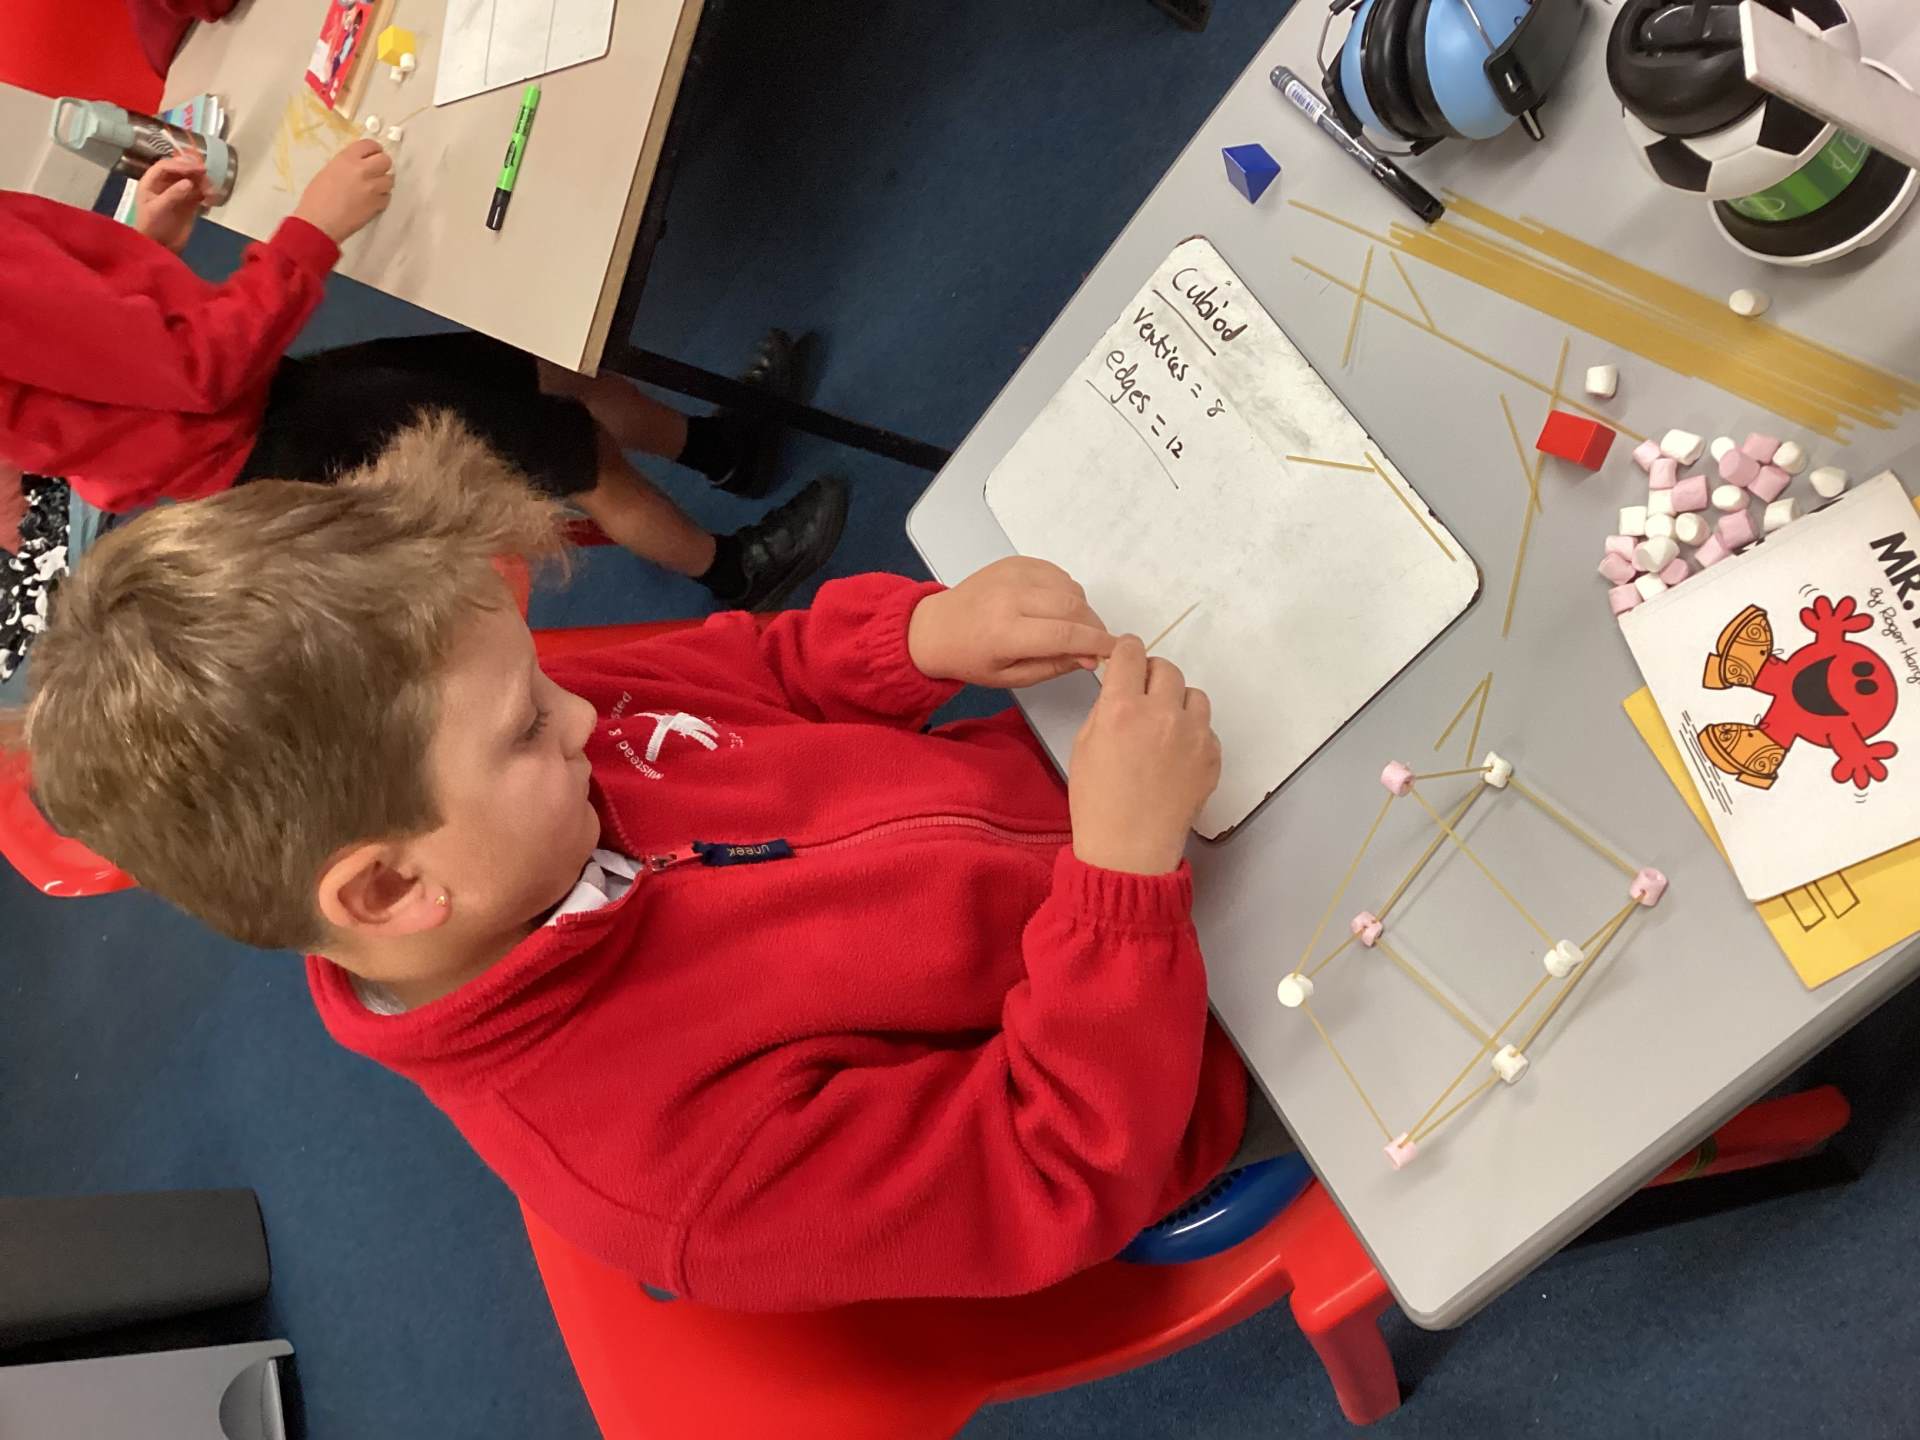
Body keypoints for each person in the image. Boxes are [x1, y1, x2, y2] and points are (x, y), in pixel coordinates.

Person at [16, 416, 1289, 1312]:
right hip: (1195, 1056)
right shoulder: (676, 1173)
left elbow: (757, 666)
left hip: (1101, 815)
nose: (583, 715)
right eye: (527, 727)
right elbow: (1053, 1164)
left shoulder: (496, 761)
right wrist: (1120, 886)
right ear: (392, 889)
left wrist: (916, 638)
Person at [0, 144, 845, 611]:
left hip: (254, 406)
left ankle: (721, 450)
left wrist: (139, 249)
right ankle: (733, 570)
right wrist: (312, 229)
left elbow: (83, 353)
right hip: (257, 429)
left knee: (542, 374)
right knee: (573, 455)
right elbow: (200, 369)